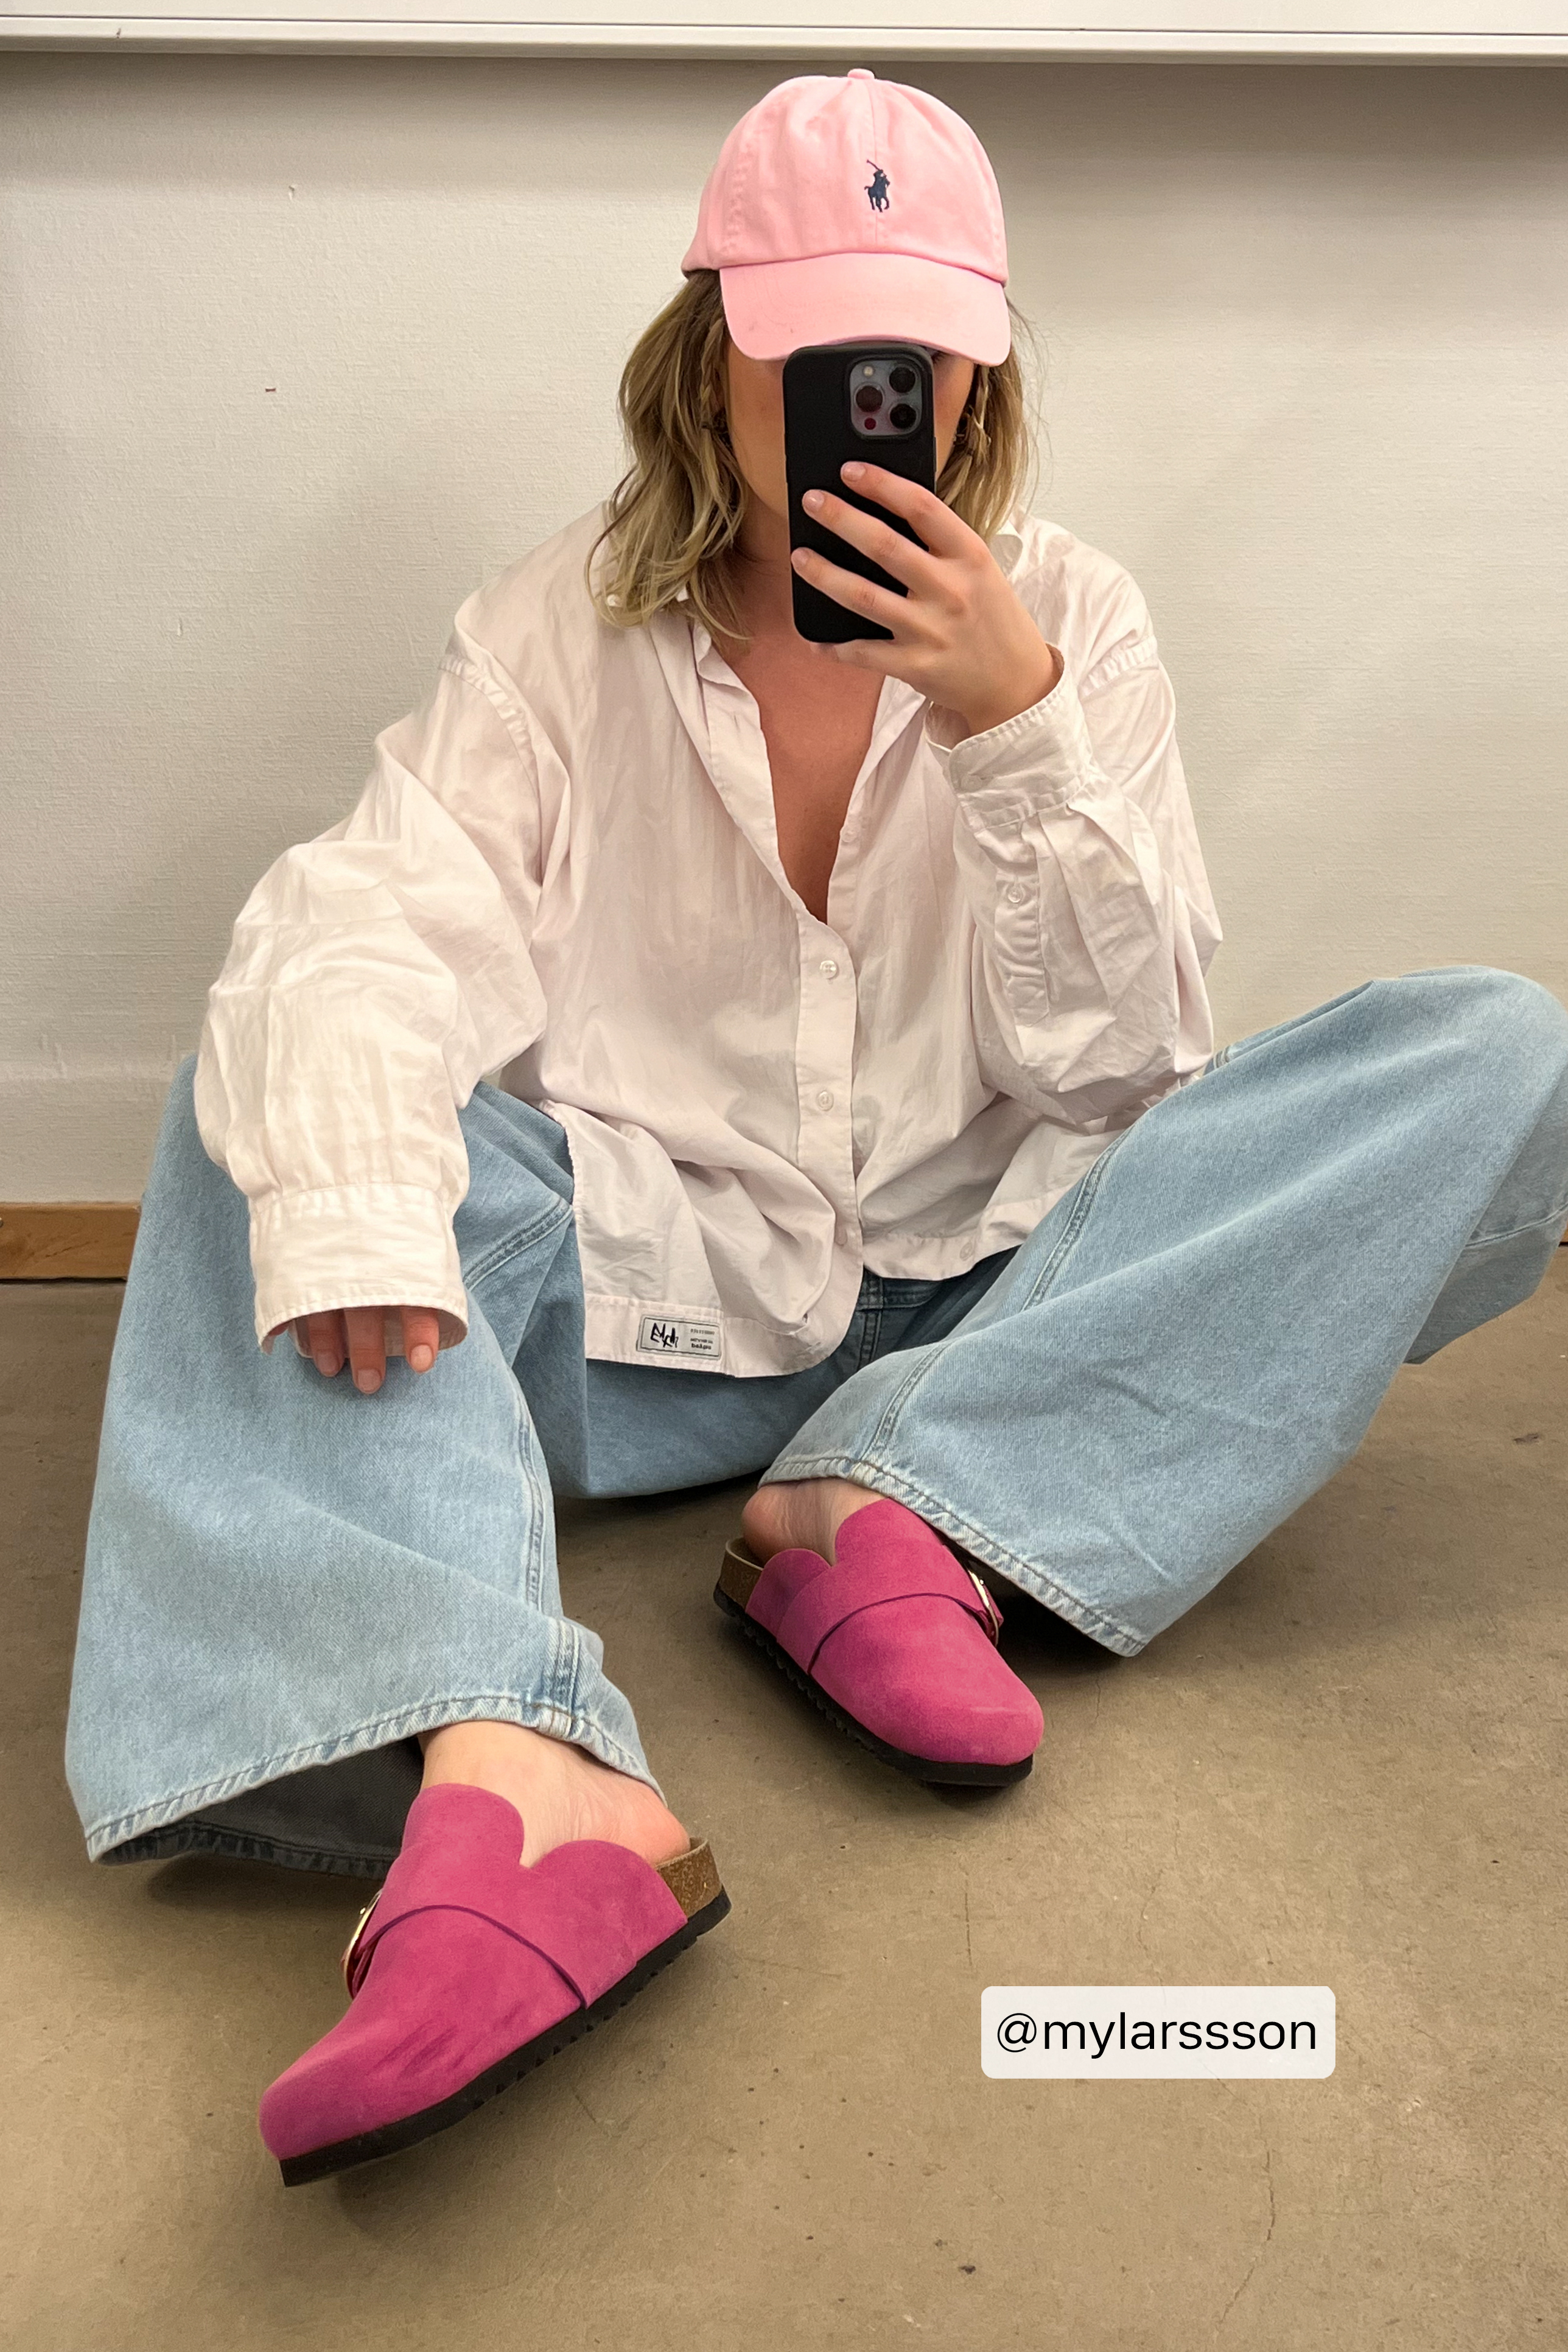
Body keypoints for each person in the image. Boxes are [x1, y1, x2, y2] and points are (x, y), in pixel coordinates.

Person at [65, 68, 1568, 2186]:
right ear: (719, 362)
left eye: (920, 363)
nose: (881, 409)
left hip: (1003, 1295)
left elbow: (1127, 1070)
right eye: (824, 360)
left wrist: (1014, 722)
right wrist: (360, 1198)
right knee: (277, 1102)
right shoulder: (557, 627)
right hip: (650, 1309)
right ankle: (518, 1770)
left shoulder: (1077, 623)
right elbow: (370, 926)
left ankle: (890, 1512)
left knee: (1497, 1049)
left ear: (977, 372)